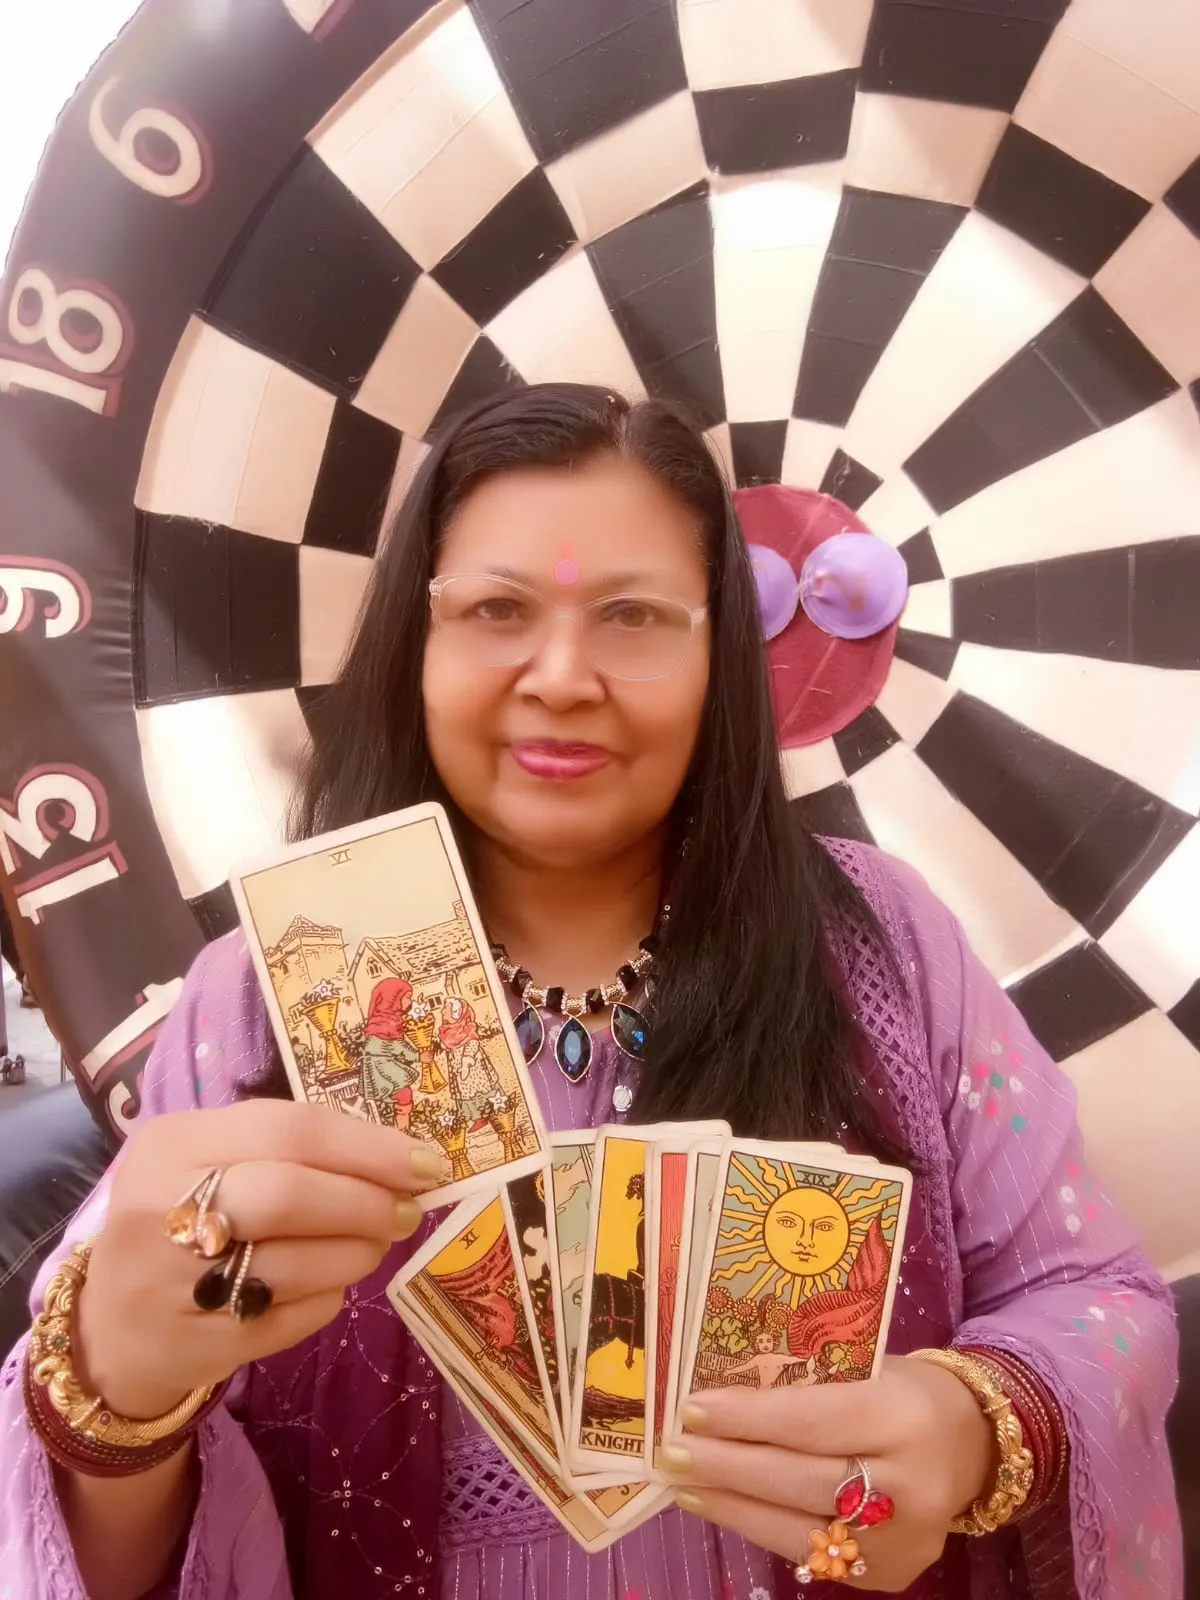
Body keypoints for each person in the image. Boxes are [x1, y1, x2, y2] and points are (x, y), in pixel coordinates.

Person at [0, 383, 1180, 1600]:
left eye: (632, 615)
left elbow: (1098, 1300)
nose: (562, 675)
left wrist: (968, 1421)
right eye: (499, 608)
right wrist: (113, 1402)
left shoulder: (882, 945)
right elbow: (109, 1540)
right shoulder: (259, 1000)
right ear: (418, 642)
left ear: (719, 652)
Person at [360, 976, 421, 1121]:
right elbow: (396, 1046)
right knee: (403, 1094)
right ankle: (404, 1130)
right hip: (381, 1069)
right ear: (393, 999)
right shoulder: (386, 1022)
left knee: (403, 1095)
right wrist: (418, 1055)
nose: (409, 1002)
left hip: (381, 1067)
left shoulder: (382, 1020)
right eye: (407, 997)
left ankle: (403, 1128)